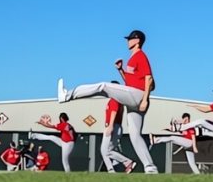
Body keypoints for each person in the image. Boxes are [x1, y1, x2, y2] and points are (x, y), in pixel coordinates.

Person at [57, 29, 158, 174]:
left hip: (139, 96)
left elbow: (149, 79)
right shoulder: (132, 58)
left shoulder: (140, 55)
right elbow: (131, 82)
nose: (127, 41)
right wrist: (120, 70)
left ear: (137, 41)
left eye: (130, 39)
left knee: (103, 86)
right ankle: (151, 168)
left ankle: (67, 95)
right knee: (135, 136)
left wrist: (145, 100)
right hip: (135, 95)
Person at [101, 99, 136, 173]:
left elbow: (114, 112)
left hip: (113, 126)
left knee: (105, 151)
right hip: (115, 126)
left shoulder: (114, 100)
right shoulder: (117, 101)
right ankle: (113, 168)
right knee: (108, 150)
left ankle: (127, 162)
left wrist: (110, 126)